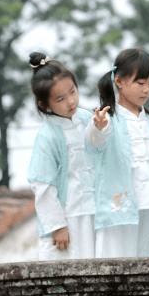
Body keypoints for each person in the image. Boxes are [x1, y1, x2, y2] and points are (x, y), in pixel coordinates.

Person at [87, 48, 149, 257]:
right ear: (120, 82)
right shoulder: (107, 119)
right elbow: (95, 145)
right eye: (140, 83)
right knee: (115, 262)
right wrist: (99, 128)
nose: (146, 90)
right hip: (118, 208)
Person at [26, 52, 96, 260]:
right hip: (69, 216)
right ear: (45, 105)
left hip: (94, 213)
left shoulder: (88, 119)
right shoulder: (47, 136)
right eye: (60, 99)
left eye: (72, 92)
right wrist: (57, 226)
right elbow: (43, 184)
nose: (70, 101)